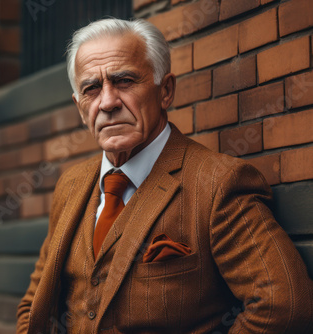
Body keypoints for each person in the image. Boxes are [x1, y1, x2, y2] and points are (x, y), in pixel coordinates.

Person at [16, 18, 313, 333]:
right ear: (80, 107)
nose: (107, 102)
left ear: (166, 90)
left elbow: (285, 306)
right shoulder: (71, 185)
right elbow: (34, 306)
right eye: (91, 88)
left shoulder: (217, 183)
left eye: (125, 80)